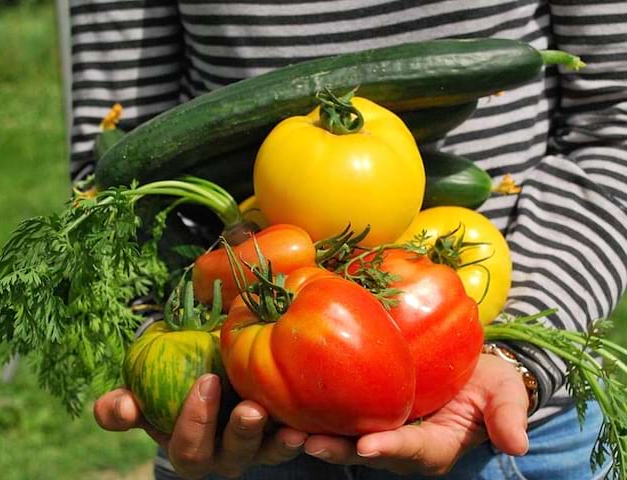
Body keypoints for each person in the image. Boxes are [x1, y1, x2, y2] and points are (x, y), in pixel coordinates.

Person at [70, 1, 627, 478]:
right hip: (236, 396)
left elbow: (614, 126)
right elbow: (113, 170)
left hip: (513, 427)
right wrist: (171, 354)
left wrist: (520, 354)